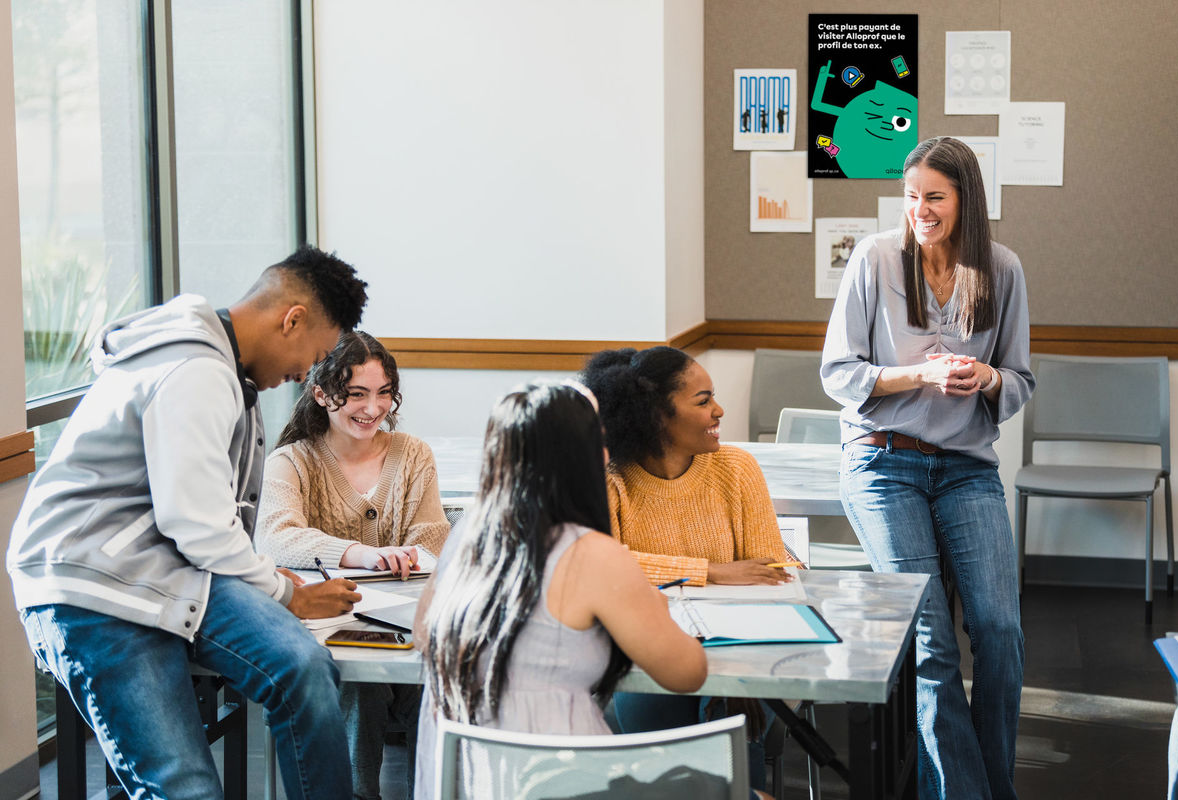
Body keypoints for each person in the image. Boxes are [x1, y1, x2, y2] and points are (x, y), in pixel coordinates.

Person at [7, 245, 369, 799]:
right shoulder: (196, 368)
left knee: (303, 668)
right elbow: (196, 523)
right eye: (313, 355)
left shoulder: (223, 370)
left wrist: (272, 584)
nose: (304, 375)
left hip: (169, 569)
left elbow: (200, 526)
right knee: (185, 790)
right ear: (291, 319)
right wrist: (283, 593)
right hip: (94, 583)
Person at [821, 136, 1034, 800]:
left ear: (964, 199)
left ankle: (987, 785)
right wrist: (918, 374)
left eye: (934, 197)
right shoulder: (874, 259)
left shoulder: (1002, 269)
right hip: (883, 464)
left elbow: (1022, 380)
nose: (920, 210)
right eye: (911, 197)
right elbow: (837, 373)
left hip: (966, 467)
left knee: (1000, 631)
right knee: (932, 643)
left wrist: (990, 375)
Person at [410, 381, 708, 799]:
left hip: (471, 780)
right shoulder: (592, 554)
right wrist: (655, 608)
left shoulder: (466, 533)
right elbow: (687, 673)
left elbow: (423, 634)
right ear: (583, 457)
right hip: (563, 778)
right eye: (600, 442)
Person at [580, 345, 789, 793]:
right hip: (643, 655)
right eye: (702, 400)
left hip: (737, 653)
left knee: (731, 738)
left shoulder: (736, 469)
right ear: (655, 415)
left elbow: (769, 571)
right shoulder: (611, 476)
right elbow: (600, 568)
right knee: (662, 769)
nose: (720, 410)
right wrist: (712, 571)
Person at [256, 330, 450, 800]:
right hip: (332, 638)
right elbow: (276, 537)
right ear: (322, 394)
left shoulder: (412, 454)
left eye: (384, 393)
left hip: (406, 630)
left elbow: (432, 538)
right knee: (357, 687)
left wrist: (410, 557)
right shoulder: (292, 461)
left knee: (439, 685)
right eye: (356, 394)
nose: (373, 407)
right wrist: (363, 554)